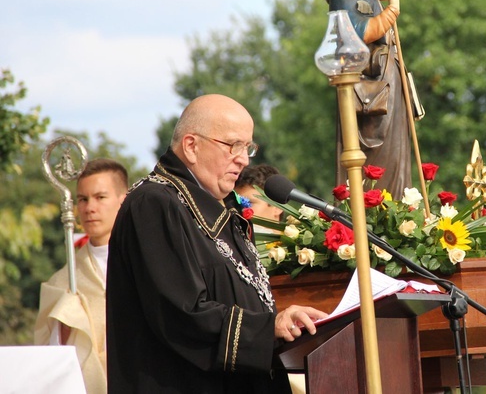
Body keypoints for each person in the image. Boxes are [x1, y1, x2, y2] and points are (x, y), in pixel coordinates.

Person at [106, 94, 327, 393]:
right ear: (191, 146)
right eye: (233, 145)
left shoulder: (219, 210)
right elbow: (181, 313)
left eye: (248, 147)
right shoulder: (154, 203)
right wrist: (268, 329)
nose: (244, 158)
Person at [326, 0, 413, 196]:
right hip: (369, 91)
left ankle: (400, 206)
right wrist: (391, 12)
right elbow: (359, 32)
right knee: (374, 161)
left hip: (388, 83)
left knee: (398, 153)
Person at [34, 158, 129, 394]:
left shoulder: (149, 261)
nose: (89, 208)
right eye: (83, 199)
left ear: (123, 200)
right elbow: (49, 352)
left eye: (100, 197)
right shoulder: (64, 280)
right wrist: (64, 329)